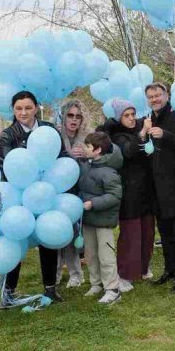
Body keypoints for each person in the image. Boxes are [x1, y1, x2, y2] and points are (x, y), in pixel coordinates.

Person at [0, 91, 68, 306]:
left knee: (48, 237)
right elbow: (7, 165)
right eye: (19, 109)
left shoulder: (49, 129)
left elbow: (62, 156)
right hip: (18, 196)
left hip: (46, 192)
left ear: (36, 108)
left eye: (28, 108)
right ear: (14, 110)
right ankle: (9, 291)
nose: (23, 112)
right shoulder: (8, 135)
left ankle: (50, 289)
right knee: (15, 238)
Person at [99, 98, 156, 291]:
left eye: (133, 114)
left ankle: (142, 267)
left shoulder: (138, 129)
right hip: (129, 190)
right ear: (119, 118)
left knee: (147, 231)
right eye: (126, 115)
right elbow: (130, 151)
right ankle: (125, 273)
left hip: (146, 189)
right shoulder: (117, 136)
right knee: (131, 234)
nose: (131, 118)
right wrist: (142, 133)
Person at [143, 82, 175, 293]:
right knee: (164, 234)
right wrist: (144, 134)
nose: (155, 99)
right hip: (156, 186)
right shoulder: (148, 118)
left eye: (158, 95)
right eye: (151, 96)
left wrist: (166, 135)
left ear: (166, 95)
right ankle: (169, 269)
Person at [78, 131, 124, 305]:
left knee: (106, 256)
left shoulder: (109, 172)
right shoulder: (88, 166)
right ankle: (96, 283)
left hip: (103, 221)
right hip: (89, 219)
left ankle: (112, 289)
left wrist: (93, 203)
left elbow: (115, 195)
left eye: (88, 146)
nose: (85, 148)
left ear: (97, 150)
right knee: (90, 254)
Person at [55, 99, 92, 289]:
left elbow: (96, 161)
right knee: (53, 233)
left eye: (78, 116)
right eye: (70, 115)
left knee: (70, 234)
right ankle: (54, 273)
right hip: (55, 191)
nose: (74, 120)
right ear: (63, 116)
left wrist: (86, 156)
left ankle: (76, 274)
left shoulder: (87, 138)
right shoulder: (54, 135)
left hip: (77, 192)